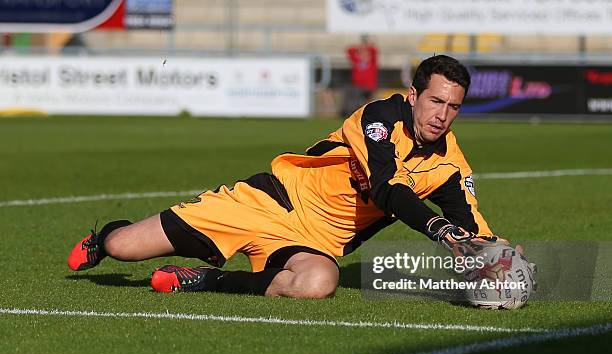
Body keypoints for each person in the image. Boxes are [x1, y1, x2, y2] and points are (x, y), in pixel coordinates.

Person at [67, 55, 505, 299]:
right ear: (414, 95)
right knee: (124, 249)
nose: (442, 115)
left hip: (313, 244)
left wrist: (498, 257)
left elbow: (472, 225)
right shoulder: (378, 118)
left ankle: (205, 280)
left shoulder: (450, 165)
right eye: (434, 101)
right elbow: (387, 189)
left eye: (453, 107)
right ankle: (106, 234)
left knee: (319, 283)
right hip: (272, 200)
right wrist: (436, 228)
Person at [342, 35, 378, 116]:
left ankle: (369, 115)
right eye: (361, 53)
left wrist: (366, 46)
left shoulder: (372, 60)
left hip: (370, 85)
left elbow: (374, 50)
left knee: (369, 102)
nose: (363, 54)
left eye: (366, 53)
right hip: (358, 86)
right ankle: (358, 116)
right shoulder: (356, 60)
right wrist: (360, 48)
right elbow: (349, 50)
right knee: (356, 103)